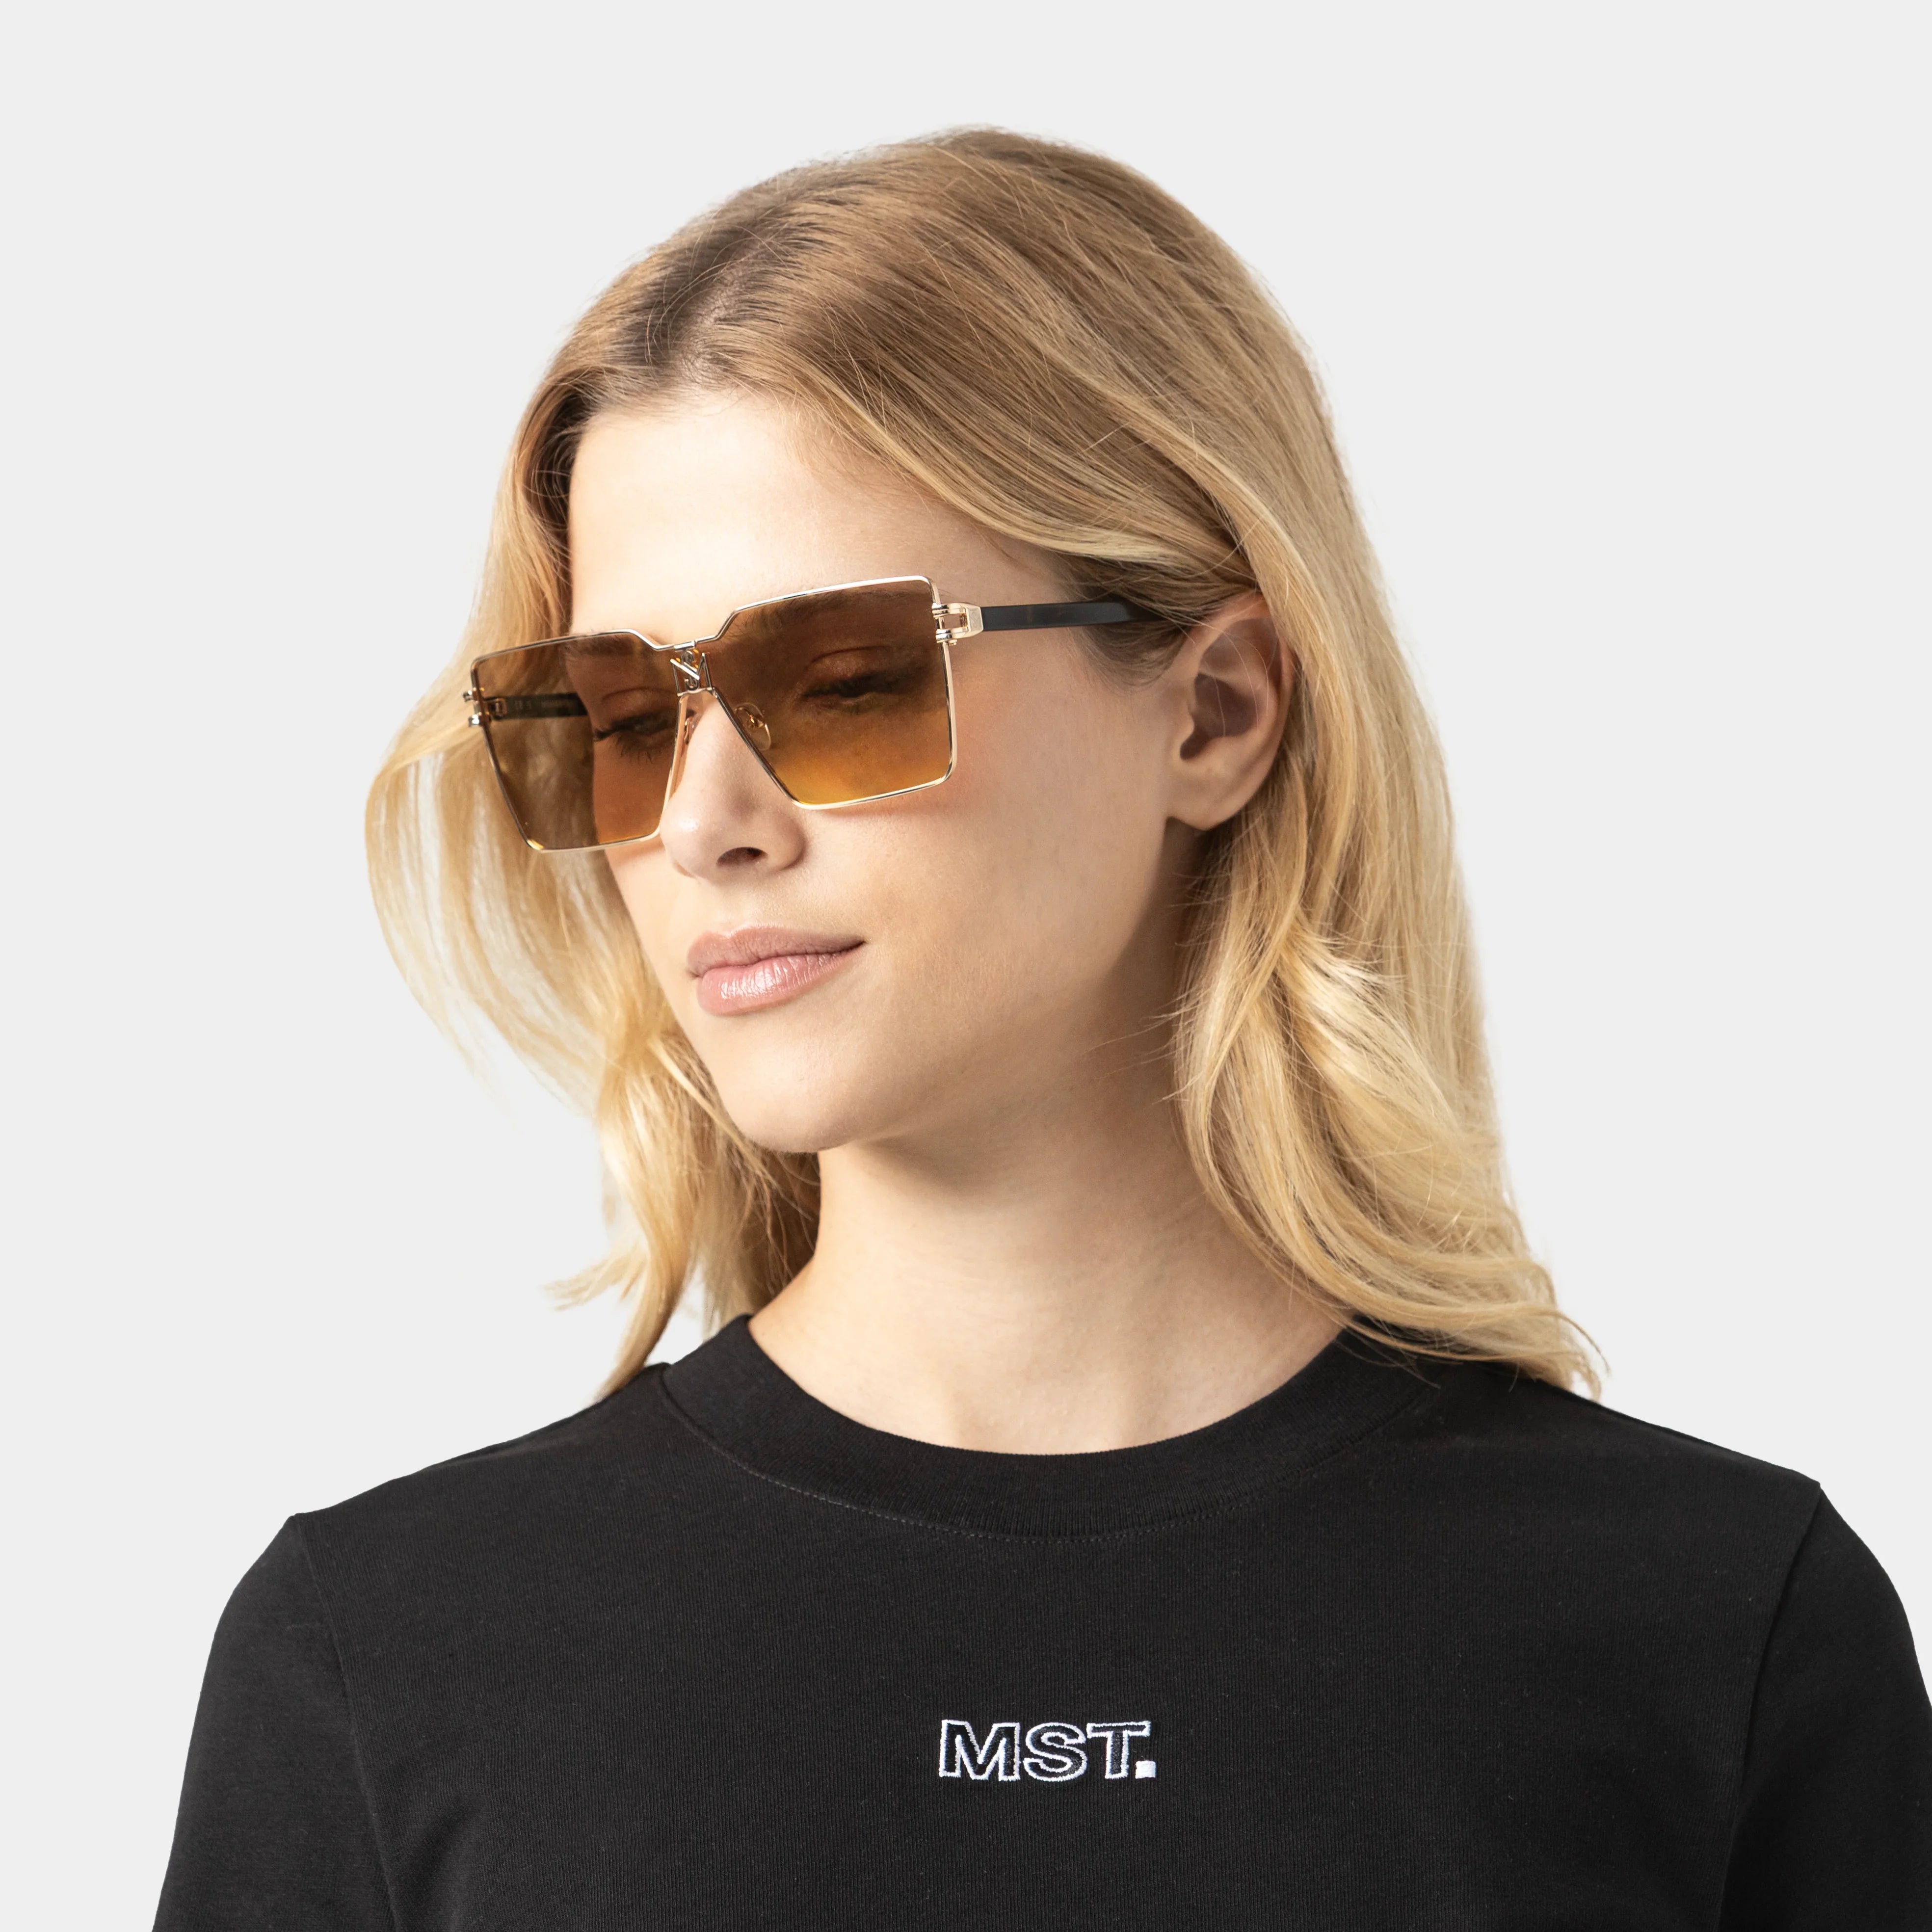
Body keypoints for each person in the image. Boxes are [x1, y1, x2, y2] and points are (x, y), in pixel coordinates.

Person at [154, 129, 1930, 1927]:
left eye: (839, 681)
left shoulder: (1714, 1632)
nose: (700, 823)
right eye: (615, 714)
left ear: (1215, 712)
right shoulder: (386, 1658)